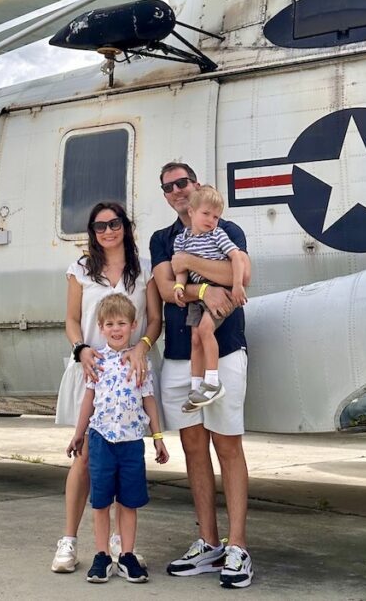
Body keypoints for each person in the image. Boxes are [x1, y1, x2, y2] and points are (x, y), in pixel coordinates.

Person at [150, 162, 254, 589]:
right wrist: (209, 288)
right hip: (176, 357)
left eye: (183, 182)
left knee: (228, 446)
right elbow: (163, 290)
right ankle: (209, 543)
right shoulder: (161, 239)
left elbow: (239, 276)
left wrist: (191, 265)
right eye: (169, 186)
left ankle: (239, 547)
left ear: (196, 187)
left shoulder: (227, 230)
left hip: (225, 350)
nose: (177, 190)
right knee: (194, 449)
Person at [52, 201, 162, 575]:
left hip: (130, 373)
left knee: (121, 464)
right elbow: (70, 320)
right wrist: (81, 349)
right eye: (100, 226)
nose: (108, 231)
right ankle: (68, 540)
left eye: (114, 223)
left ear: (125, 227)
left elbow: (154, 321)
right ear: (92, 232)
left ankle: (118, 544)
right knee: (84, 458)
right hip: (92, 371)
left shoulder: (142, 269)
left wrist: (140, 349)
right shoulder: (80, 270)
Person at [66, 293, 169, 583]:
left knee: (129, 501)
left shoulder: (140, 361)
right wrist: (78, 434)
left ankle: (126, 555)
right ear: (101, 328)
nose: (115, 328)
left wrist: (157, 436)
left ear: (133, 325)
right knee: (101, 502)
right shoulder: (97, 361)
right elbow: (88, 400)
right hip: (100, 441)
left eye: (121, 323)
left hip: (131, 442)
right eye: (109, 323)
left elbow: (149, 401)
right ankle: (101, 555)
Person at [172, 185, 247, 411]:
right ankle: (196, 389)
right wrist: (178, 284)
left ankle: (213, 382)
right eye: (206, 214)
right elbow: (181, 267)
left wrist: (237, 286)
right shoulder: (182, 239)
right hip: (198, 296)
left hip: (222, 291)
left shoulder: (217, 234)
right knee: (195, 339)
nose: (211, 220)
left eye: (216, 216)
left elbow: (236, 258)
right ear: (191, 212)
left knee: (205, 330)